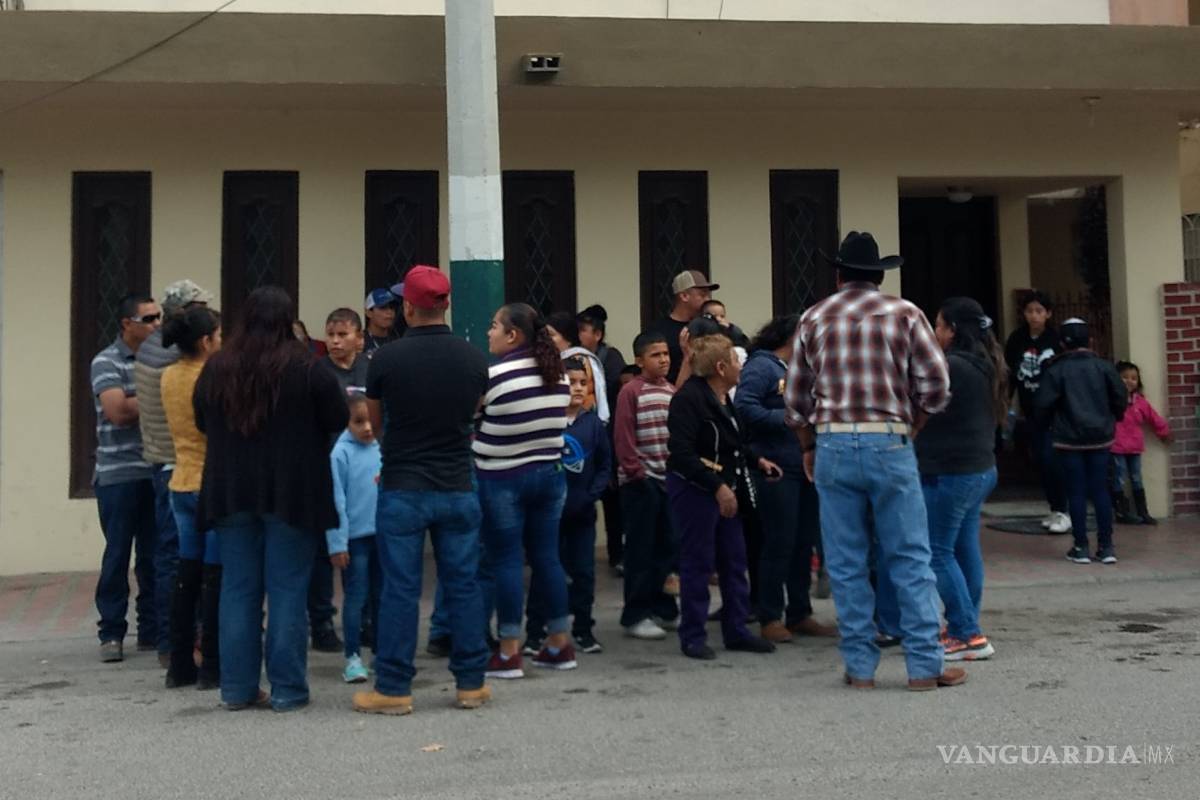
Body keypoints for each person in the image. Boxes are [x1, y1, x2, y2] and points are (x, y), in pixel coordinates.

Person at [785, 231, 963, 692]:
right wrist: (915, 422)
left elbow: (795, 399)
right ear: (880, 275)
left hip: (833, 444)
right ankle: (925, 665)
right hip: (889, 441)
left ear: (839, 274)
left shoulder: (814, 317)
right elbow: (937, 386)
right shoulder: (905, 314)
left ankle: (860, 668)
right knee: (909, 556)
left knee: (844, 562)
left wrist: (808, 446)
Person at [194, 286, 348, 712]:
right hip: (292, 491)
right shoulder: (307, 367)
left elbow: (200, 419)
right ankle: (288, 689)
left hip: (231, 489)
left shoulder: (218, 367)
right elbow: (337, 417)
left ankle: (238, 689)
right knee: (287, 590)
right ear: (287, 321)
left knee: (238, 589)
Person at [352, 265, 492, 714]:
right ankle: (471, 683)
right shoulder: (474, 358)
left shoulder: (385, 360)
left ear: (408, 307)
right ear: (446, 304)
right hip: (457, 481)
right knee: (464, 584)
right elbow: (472, 414)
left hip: (402, 484)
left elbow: (374, 424)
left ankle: (393, 688)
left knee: (399, 587)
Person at [475, 302, 575, 678]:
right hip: (550, 474)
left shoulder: (494, 375)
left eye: (494, 325)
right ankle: (559, 643)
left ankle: (508, 650)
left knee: (506, 562)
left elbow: (473, 420)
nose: (489, 332)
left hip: (501, 478)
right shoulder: (559, 373)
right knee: (548, 559)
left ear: (513, 335)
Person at [667, 334, 780, 660]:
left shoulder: (724, 398)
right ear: (720, 367)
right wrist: (717, 487)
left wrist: (757, 459)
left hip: (726, 487)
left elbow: (733, 442)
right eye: (734, 359)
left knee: (734, 560)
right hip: (695, 490)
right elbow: (682, 453)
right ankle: (692, 635)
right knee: (698, 563)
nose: (739, 364)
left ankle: (736, 630)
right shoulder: (688, 399)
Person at [735, 314, 837, 644]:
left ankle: (799, 613)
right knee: (778, 543)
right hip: (776, 467)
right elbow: (744, 407)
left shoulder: (801, 369)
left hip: (806, 465)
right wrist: (789, 418)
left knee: (802, 543)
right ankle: (769, 615)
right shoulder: (762, 367)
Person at [916, 297, 1007, 662]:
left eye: (938, 325)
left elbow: (921, 403)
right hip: (979, 469)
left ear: (952, 329)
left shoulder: (951, 366)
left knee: (937, 551)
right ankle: (964, 624)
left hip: (952, 472)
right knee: (964, 547)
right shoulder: (985, 364)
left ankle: (967, 633)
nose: (934, 332)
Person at [133, 279, 213, 667]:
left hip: (165, 462)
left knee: (174, 558)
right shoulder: (177, 360)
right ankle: (183, 641)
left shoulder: (154, 346)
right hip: (181, 462)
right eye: (199, 307)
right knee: (186, 560)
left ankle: (174, 643)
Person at [524, 358, 612, 655]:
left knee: (584, 573)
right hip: (548, 514)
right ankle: (535, 631)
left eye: (582, 383)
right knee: (544, 570)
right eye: (570, 382)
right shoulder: (545, 422)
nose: (576, 388)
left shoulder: (594, 425)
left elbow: (604, 466)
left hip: (582, 514)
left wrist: (591, 495)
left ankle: (584, 629)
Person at [92, 293, 162, 664]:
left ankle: (150, 630)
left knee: (153, 556)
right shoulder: (106, 361)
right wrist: (156, 393)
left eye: (158, 317)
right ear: (126, 324)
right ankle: (112, 632)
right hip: (117, 476)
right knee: (117, 555)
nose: (156, 325)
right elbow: (117, 411)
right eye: (149, 319)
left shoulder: (157, 361)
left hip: (153, 471)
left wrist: (144, 394)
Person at [160, 305, 223, 689]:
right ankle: (213, 664)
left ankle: (179, 662)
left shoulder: (168, 376)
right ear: (206, 341)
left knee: (186, 572)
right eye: (219, 335)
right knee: (215, 577)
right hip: (211, 483)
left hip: (180, 480)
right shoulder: (212, 377)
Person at [1033, 319, 1127, 565]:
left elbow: (1042, 405)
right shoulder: (1104, 367)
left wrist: (1045, 428)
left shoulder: (1056, 369)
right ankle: (1106, 547)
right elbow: (1120, 398)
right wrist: (1112, 417)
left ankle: (1081, 547)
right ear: (1090, 341)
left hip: (1068, 440)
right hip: (1101, 438)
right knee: (1100, 491)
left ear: (1062, 344)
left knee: (1075, 491)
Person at [614, 331, 680, 640]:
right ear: (640, 360)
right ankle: (635, 614)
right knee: (640, 550)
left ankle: (663, 608)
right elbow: (624, 435)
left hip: (668, 480)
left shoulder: (670, 390)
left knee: (666, 549)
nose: (664, 359)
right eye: (656, 355)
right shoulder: (631, 391)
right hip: (641, 482)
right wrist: (634, 470)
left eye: (666, 354)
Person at [326, 393, 382, 685]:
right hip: (355, 540)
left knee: (382, 596)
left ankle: (380, 654)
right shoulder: (340, 454)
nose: (367, 428)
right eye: (359, 422)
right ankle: (352, 657)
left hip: (381, 536)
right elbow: (336, 500)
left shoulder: (380, 449)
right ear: (346, 423)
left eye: (371, 420)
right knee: (356, 598)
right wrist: (337, 542)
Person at [1004, 291, 1069, 533]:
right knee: (1040, 460)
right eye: (1030, 311)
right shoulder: (1017, 339)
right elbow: (1009, 373)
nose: (1034, 316)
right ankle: (1054, 508)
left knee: (1053, 459)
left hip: (1054, 411)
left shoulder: (1055, 340)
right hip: (1030, 408)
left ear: (1048, 314)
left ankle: (1063, 509)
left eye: (1039, 311)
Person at [577, 304, 627, 573]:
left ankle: (617, 555)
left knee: (613, 501)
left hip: (605, 436)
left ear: (597, 334)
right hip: (580, 437)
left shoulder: (611, 358)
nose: (578, 335)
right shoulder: (573, 360)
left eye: (583, 330)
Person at [1111, 360, 1171, 526]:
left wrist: (1164, 432)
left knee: (1137, 479)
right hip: (1116, 447)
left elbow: (1154, 418)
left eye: (1133, 378)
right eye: (1124, 377)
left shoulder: (1140, 402)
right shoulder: (1111, 400)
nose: (1129, 381)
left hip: (1135, 448)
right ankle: (1121, 512)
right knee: (1119, 478)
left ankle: (1142, 512)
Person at [647, 270, 718, 385]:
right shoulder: (658, 330)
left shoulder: (709, 326)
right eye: (702, 295)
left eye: (708, 295)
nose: (707, 300)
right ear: (684, 296)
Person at [546, 311, 610, 424]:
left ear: (568, 338)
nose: (546, 340)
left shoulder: (580, 360)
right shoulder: (553, 360)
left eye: (551, 335)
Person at [322, 308, 369, 396]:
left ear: (359, 337)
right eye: (330, 334)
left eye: (342, 334)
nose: (335, 341)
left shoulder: (371, 367)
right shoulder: (317, 371)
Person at [363, 287, 403, 356]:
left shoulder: (398, 340)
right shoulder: (360, 341)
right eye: (383, 307)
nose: (389, 312)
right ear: (369, 313)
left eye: (392, 307)